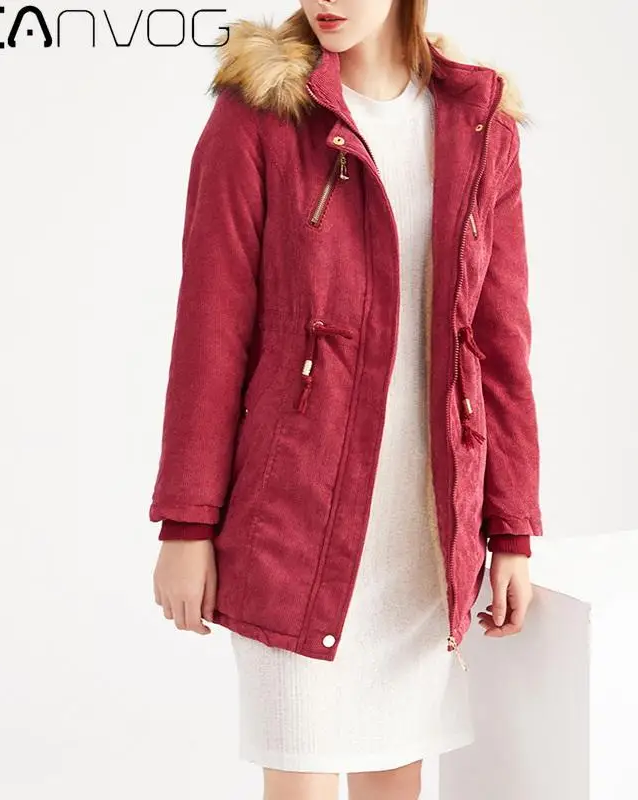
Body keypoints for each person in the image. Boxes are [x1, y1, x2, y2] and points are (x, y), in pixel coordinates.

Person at [150, 1, 543, 797]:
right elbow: (211, 329)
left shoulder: (478, 123)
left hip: (424, 531)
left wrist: (512, 528)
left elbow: (498, 343)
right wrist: (187, 523)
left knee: (395, 777)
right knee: (298, 770)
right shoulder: (258, 115)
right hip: (291, 525)